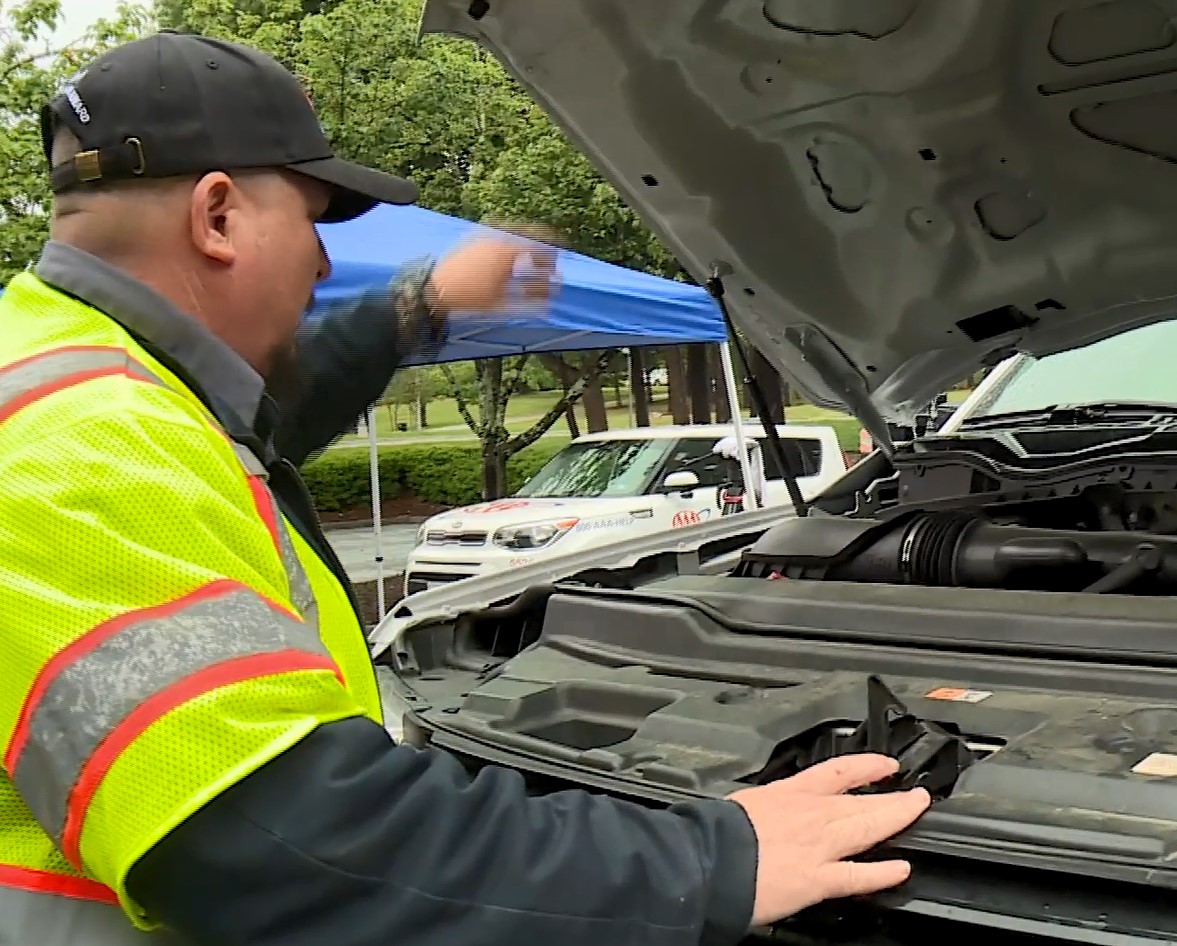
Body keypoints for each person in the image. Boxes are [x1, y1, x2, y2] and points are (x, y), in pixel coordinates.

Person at [0, 31, 930, 946]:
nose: (323, 264)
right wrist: (709, 861)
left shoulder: (63, 367)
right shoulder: (79, 451)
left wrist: (423, 302)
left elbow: (252, 424)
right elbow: (289, 844)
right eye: (315, 223)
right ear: (217, 217)